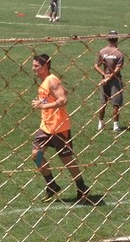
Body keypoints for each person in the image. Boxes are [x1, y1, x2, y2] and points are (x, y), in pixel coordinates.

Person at [31, 54, 90, 204]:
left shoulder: (52, 80)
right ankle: (51, 184)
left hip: (59, 128)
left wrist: (43, 105)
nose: (33, 69)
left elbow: (63, 100)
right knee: (36, 155)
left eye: (36, 66)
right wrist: (42, 102)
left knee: (67, 160)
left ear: (45, 66)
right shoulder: (44, 82)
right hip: (46, 128)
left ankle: (82, 187)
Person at [94, 31, 124, 132]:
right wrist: (110, 77)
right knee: (116, 104)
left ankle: (100, 124)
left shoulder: (102, 51)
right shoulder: (119, 53)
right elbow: (117, 69)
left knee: (103, 103)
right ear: (117, 39)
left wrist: (104, 75)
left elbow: (96, 65)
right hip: (115, 80)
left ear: (108, 39)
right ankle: (115, 126)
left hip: (104, 80)